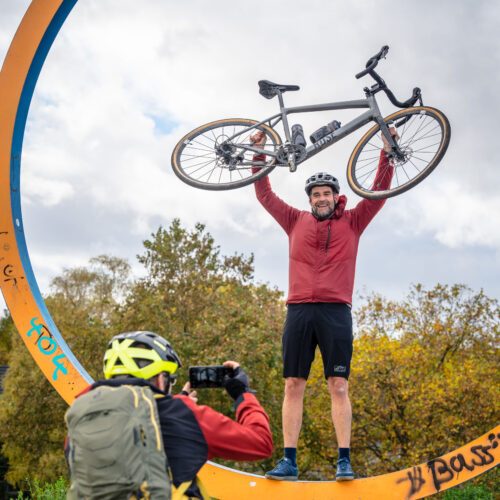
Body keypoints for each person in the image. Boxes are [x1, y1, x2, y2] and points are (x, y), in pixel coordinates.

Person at [250, 129, 397, 481]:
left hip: (335, 311)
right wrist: (259, 154)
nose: (321, 198)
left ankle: (344, 460)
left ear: (336, 196)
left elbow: (378, 192)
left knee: (339, 385)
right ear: (310, 198)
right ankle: (289, 461)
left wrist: (386, 150)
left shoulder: (354, 222)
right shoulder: (294, 221)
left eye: (326, 193)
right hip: (299, 309)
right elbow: (264, 193)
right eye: (315, 194)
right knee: (293, 385)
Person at [66, 331, 273, 498]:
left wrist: (179, 401)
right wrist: (242, 394)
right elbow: (260, 442)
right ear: (159, 377)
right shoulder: (183, 413)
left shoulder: (82, 413)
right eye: (169, 378)